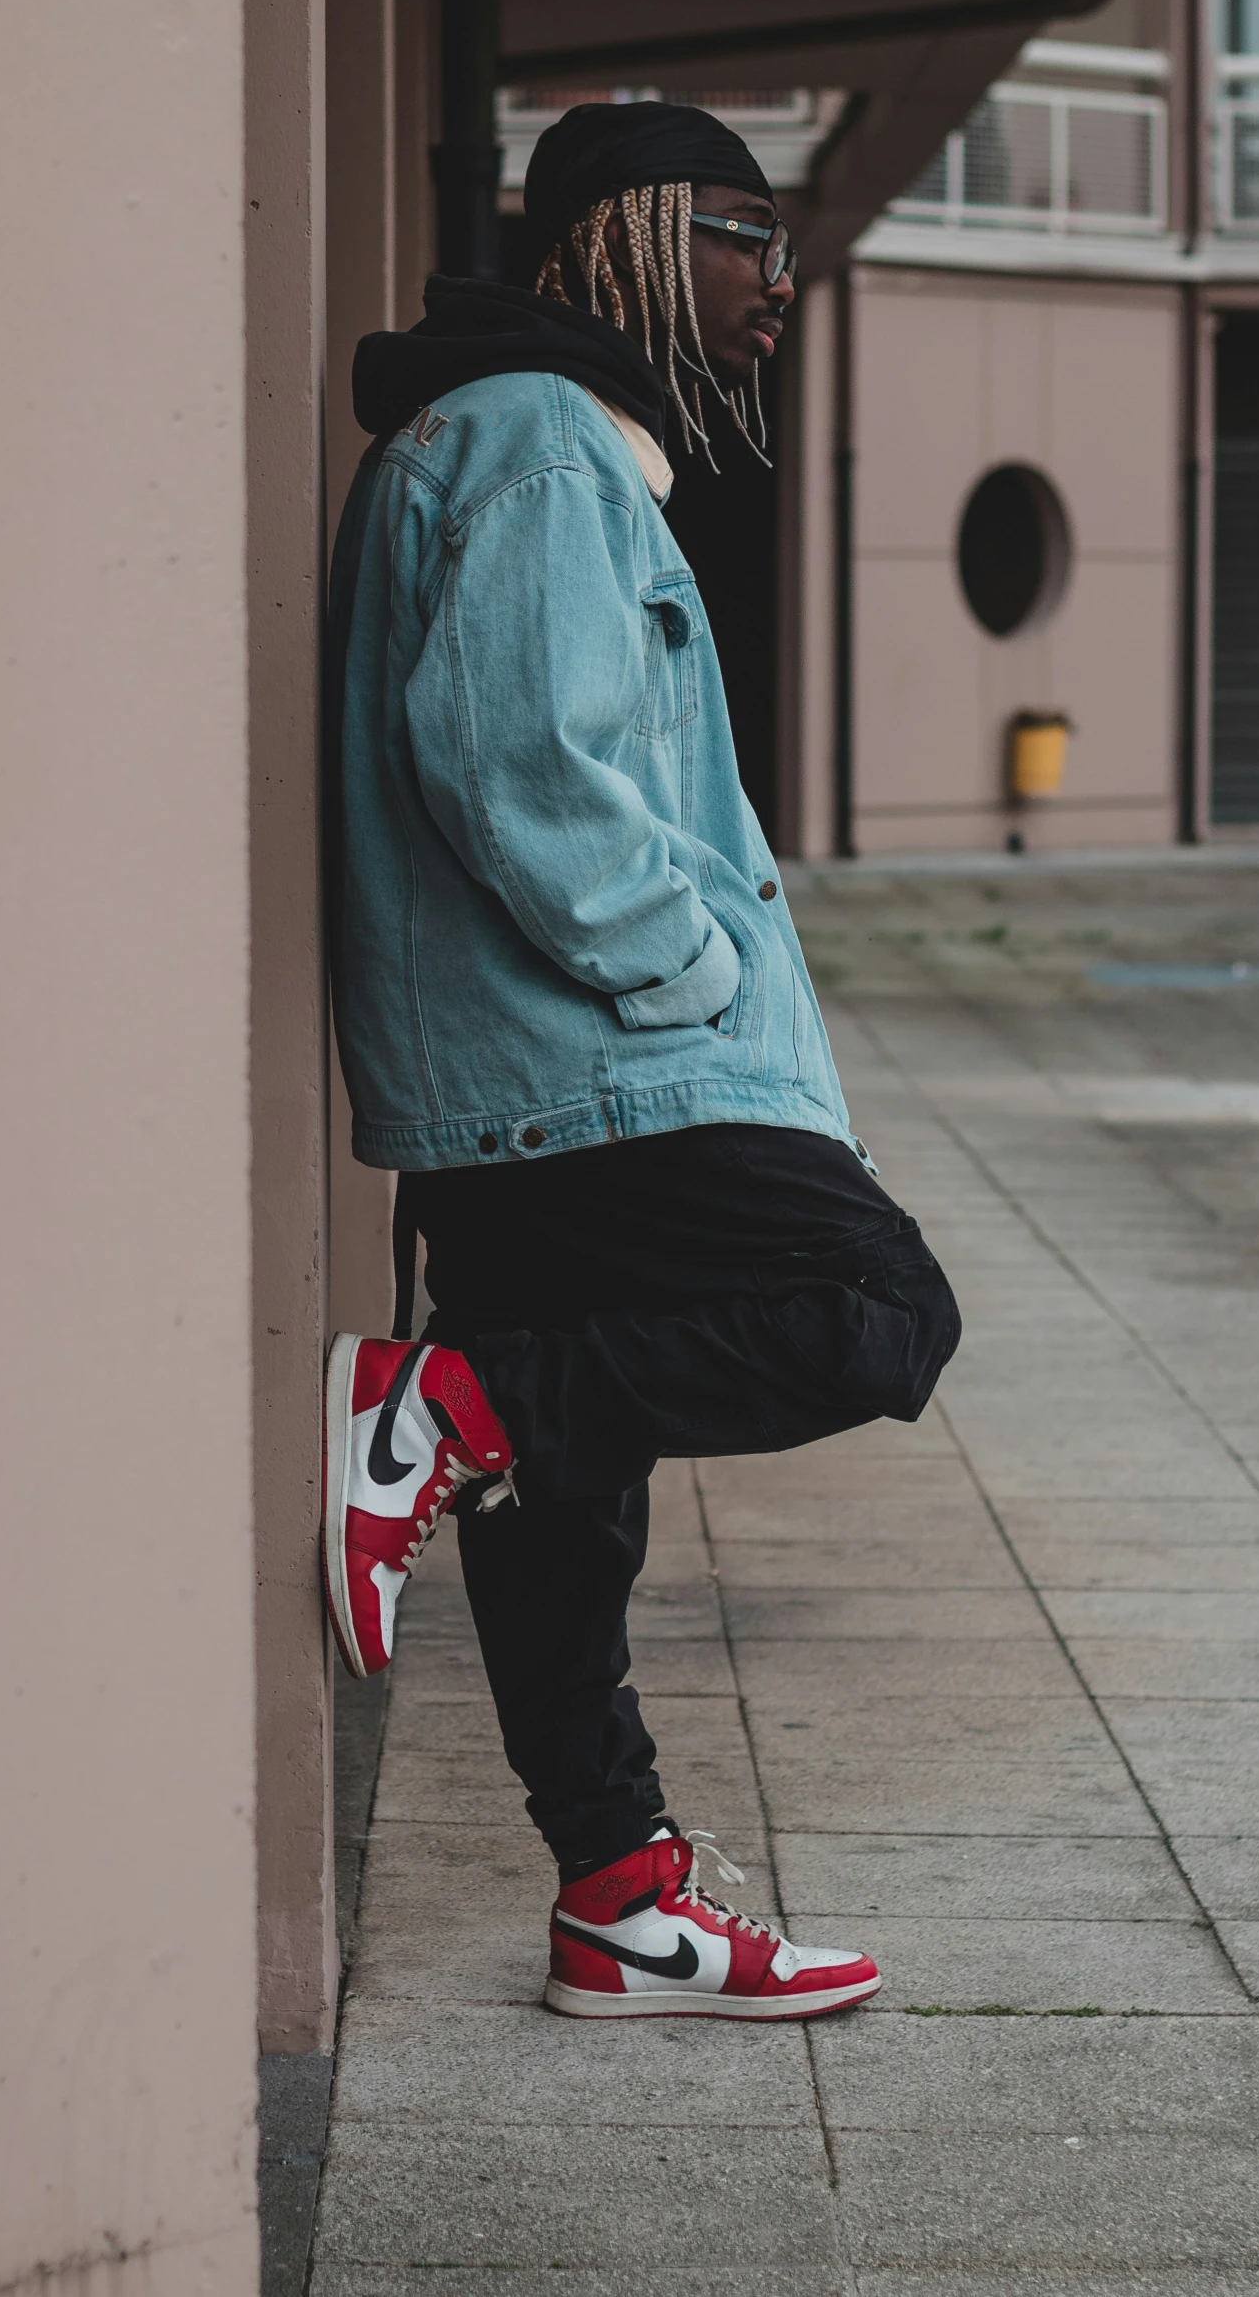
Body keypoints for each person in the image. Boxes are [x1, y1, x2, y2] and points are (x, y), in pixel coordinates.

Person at [321, 102, 960, 2021]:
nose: (780, 279)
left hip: (509, 1078)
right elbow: (523, 765)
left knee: (568, 1504)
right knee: (873, 1306)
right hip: (591, 1058)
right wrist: (689, 971)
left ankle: (616, 1894)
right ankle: (442, 1404)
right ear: (632, 235)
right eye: (747, 236)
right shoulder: (531, 444)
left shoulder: (531, 443)